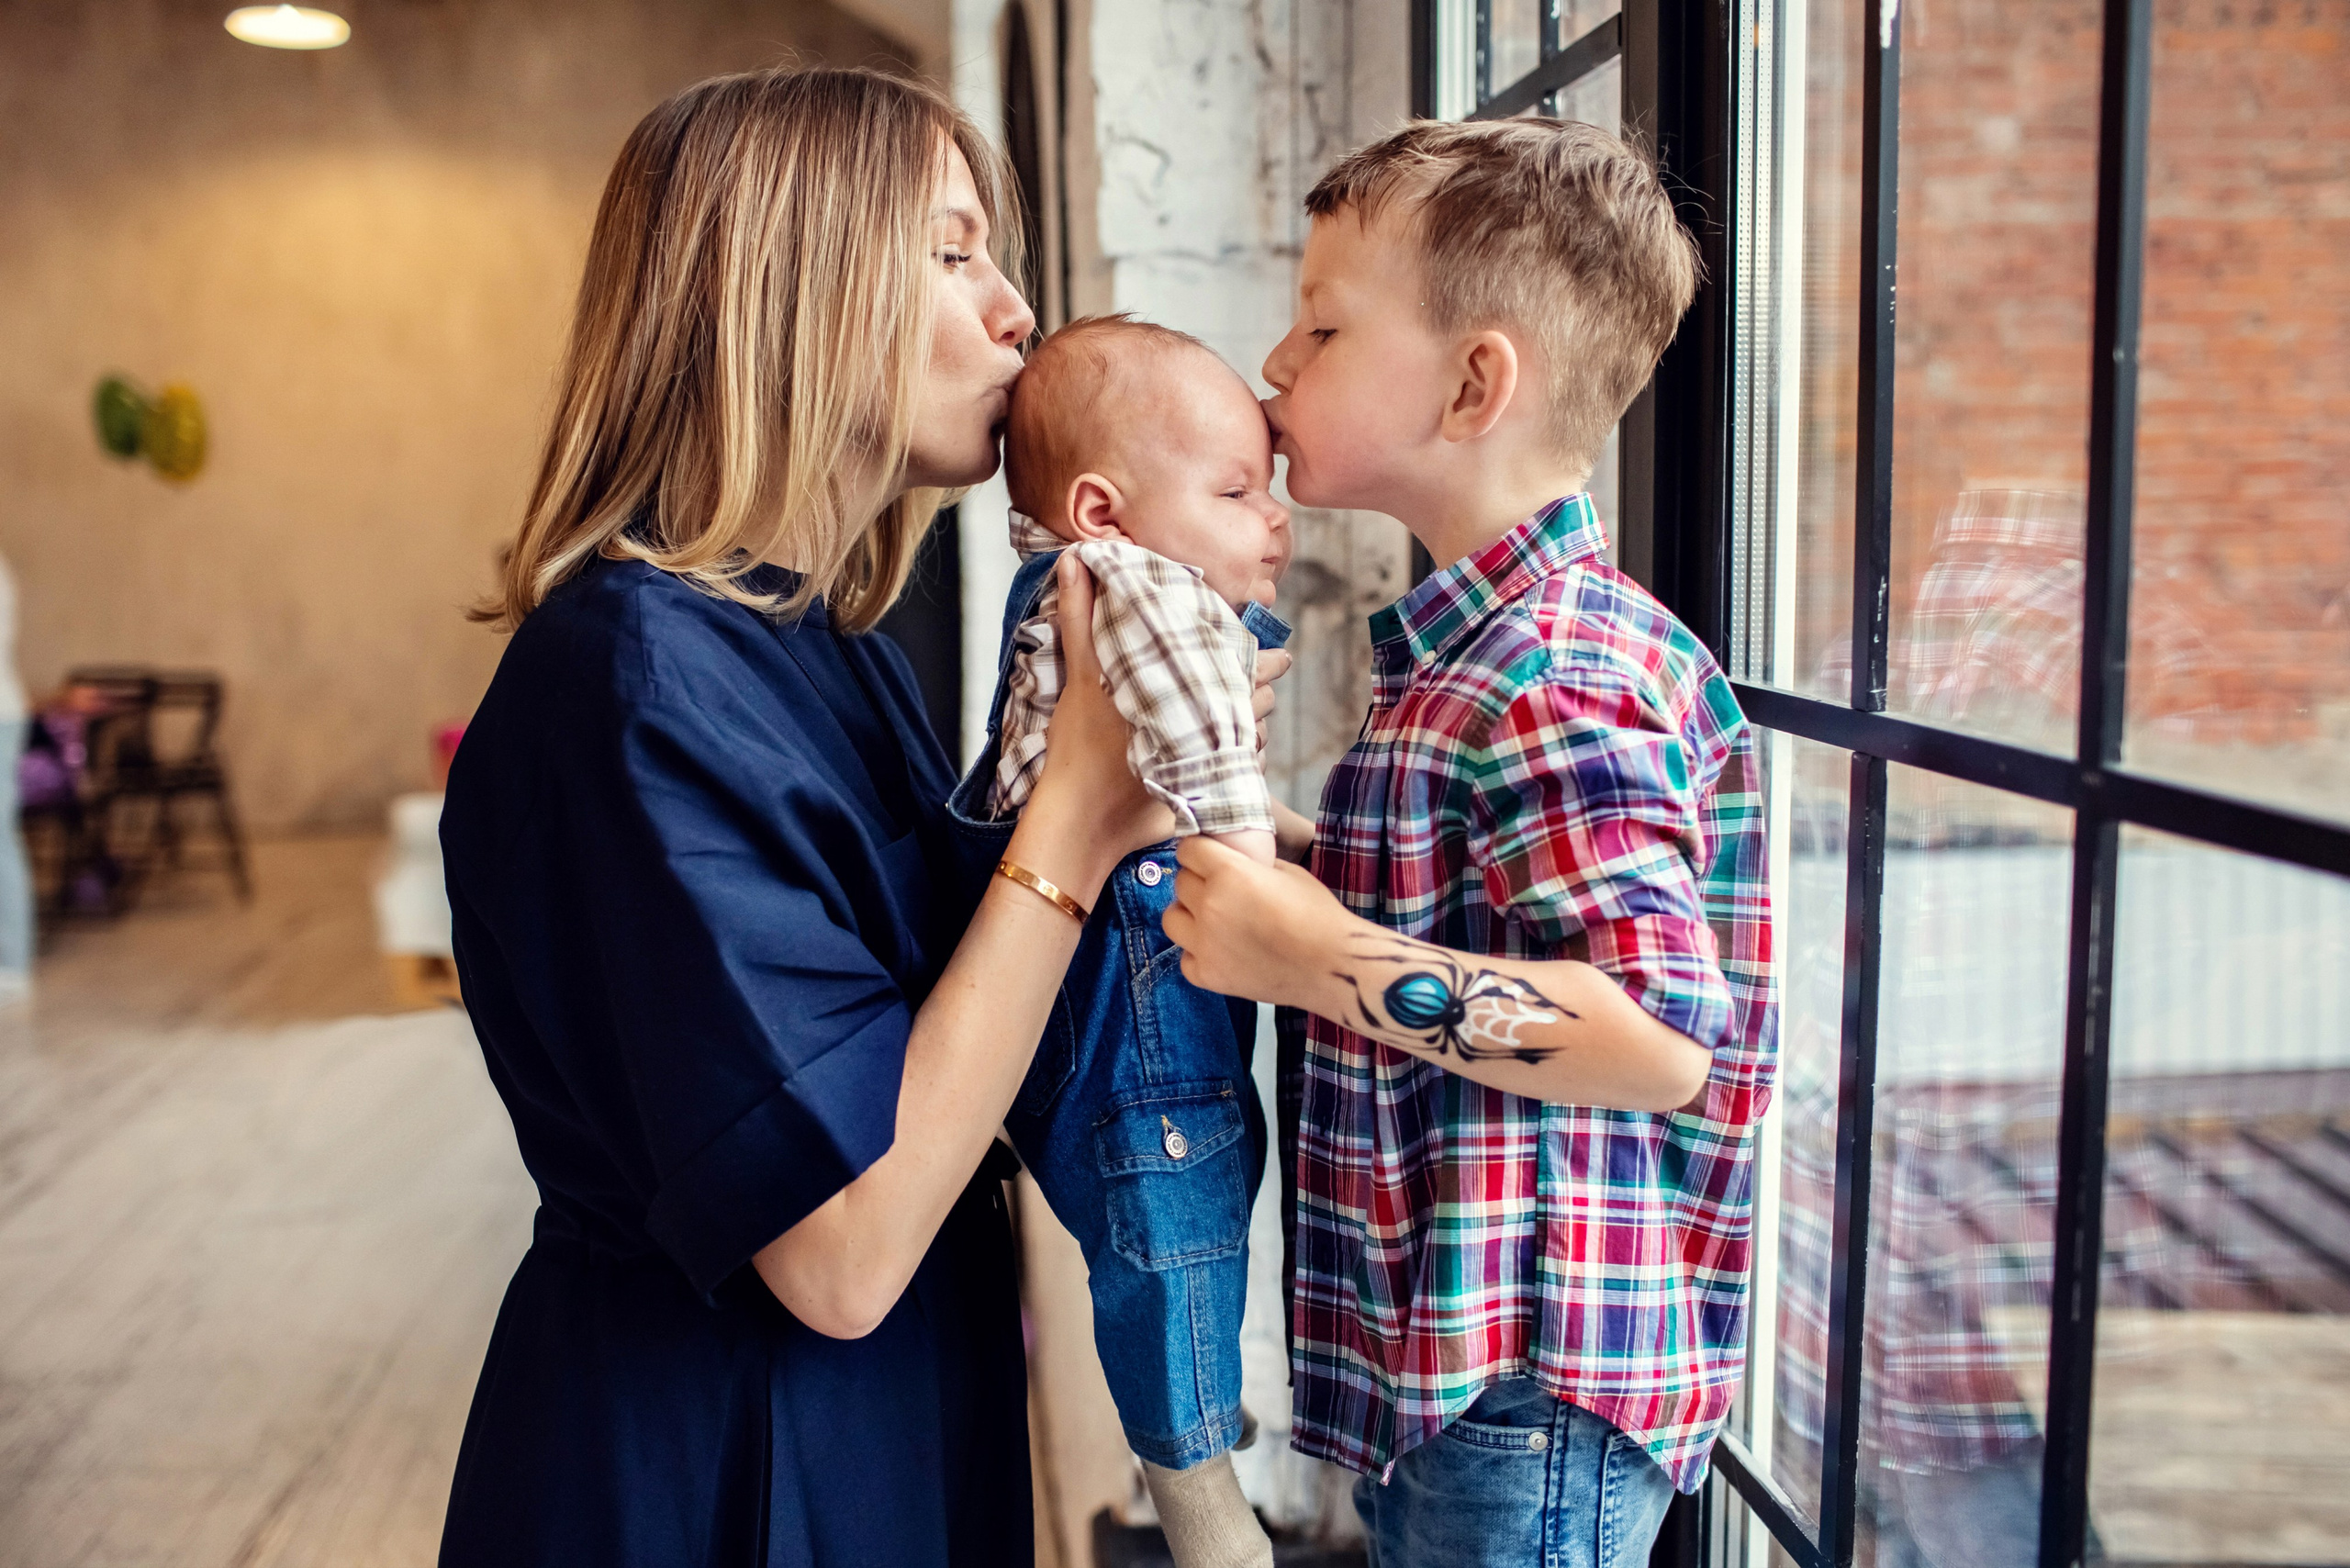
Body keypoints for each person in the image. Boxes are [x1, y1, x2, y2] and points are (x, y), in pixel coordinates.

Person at [435, 67, 1240, 1566]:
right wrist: (1077, 807)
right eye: (951, 253)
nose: (1016, 312)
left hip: (886, 1426)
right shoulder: (631, 686)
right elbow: (846, 1254)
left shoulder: (822, 642)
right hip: (719, 1466)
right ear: (787, 293)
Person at [1162, 119, 1780, 1568]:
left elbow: (1653, 1039)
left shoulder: (1553, 673)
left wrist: (1318, 960)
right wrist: (1304, 866)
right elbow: (1498, 913)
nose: (1277, 363)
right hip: (1476, 1395)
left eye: (1322, 325)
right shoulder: (1479, 656)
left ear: (1474, 381)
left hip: (1532, 1403)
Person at [956, 315, 1294, 1568]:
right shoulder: (1141, 584)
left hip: (1089, 971)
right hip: (1133, 991)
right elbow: (1201, 743)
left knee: (1170, 1205)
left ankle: (1196, 1446)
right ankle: (1202, 1504)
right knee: (1178, 1205)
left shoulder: (1068, 579)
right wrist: (1258, 868)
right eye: (1236, 489)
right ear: (1104, 508)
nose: (1276, 520)